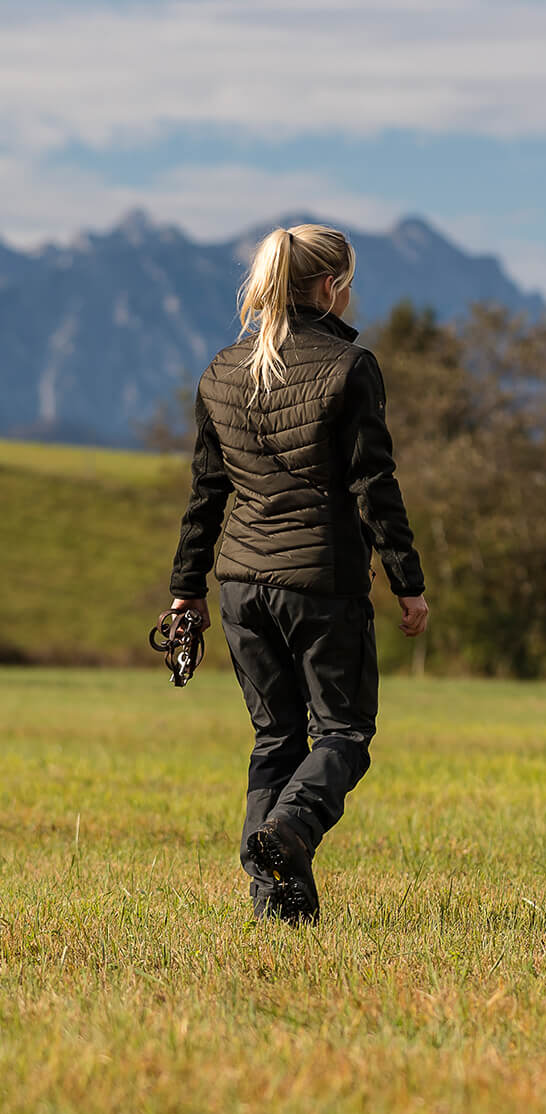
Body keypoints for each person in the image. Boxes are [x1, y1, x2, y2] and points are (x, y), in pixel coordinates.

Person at [167, 222, 429, 925]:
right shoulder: (351, 367)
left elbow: (205, 494)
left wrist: (186, 587)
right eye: (348, 283)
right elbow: (374, 482)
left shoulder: (222, 369)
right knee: (343, 734)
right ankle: (290, 832)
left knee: (274, 739)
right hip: (320, 582)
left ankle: (277, 906)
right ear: (327, 287)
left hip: (241, 587)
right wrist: (408, 579)